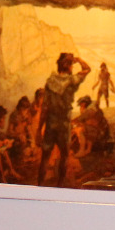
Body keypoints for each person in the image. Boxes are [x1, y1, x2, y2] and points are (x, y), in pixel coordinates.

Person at [36, 52, 90, 186]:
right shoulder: (72, 81)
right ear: (69, 66)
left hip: (50, 123)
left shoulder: (50, 82)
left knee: (45, 157)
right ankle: (60, 185)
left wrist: (39, 129)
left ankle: (40, 185)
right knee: (64, 156)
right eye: (71, 64)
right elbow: (87, 69)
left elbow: (45, 107)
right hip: (64, 124)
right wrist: (79, 59)